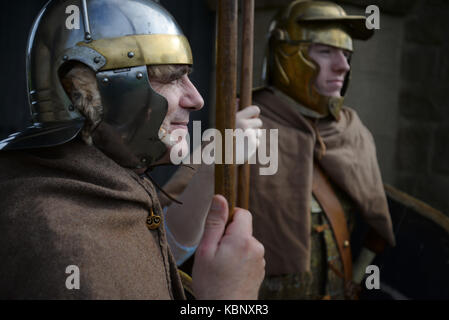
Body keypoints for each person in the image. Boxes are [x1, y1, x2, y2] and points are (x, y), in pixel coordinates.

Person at [0, 0, 264, 300]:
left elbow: (148, 253)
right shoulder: (64, 245)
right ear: (89, 91)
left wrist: (215, 159)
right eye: (169, 78)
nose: (196, 99)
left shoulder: (97, 184)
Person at [248, 0, 395, 299]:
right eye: (325, 52)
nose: (342, 65)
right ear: (287, 54)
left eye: (346, 54)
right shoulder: (243, 127)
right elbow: (185, 235)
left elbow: (375, 231)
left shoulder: (352, 132)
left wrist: (355, 280)